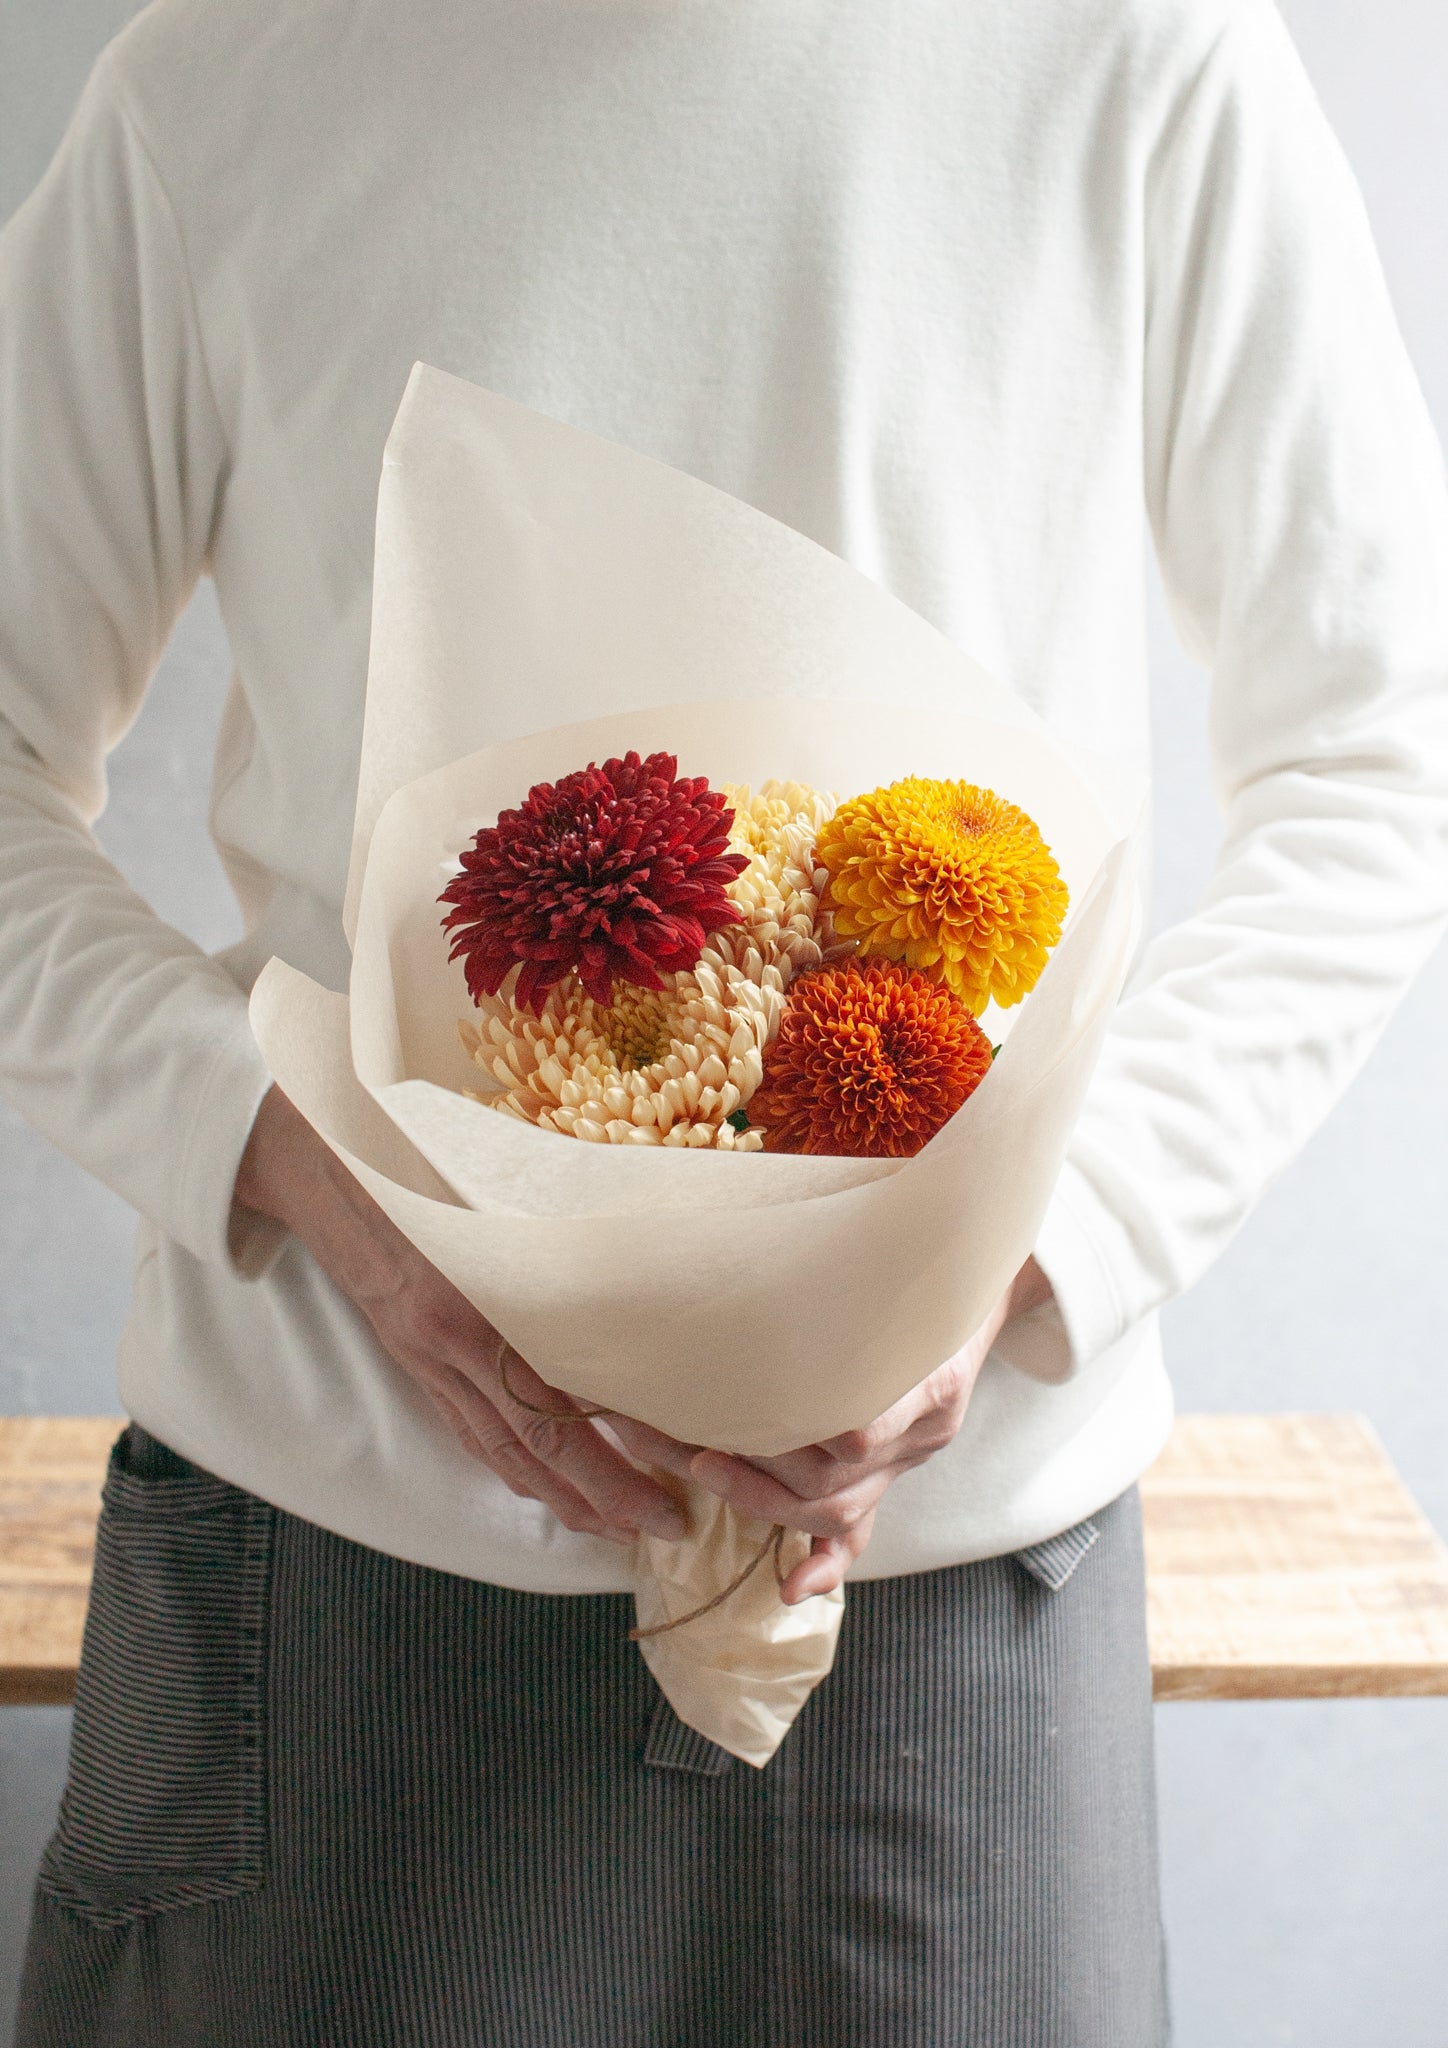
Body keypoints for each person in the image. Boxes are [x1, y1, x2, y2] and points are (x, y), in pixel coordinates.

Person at [3, 0, 1446, 2041]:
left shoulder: (1145, 50)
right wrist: (301, 1166)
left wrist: (1039, 1240)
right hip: (337, 1587)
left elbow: (1383, 760)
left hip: (955, 1624)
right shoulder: (219, 83)